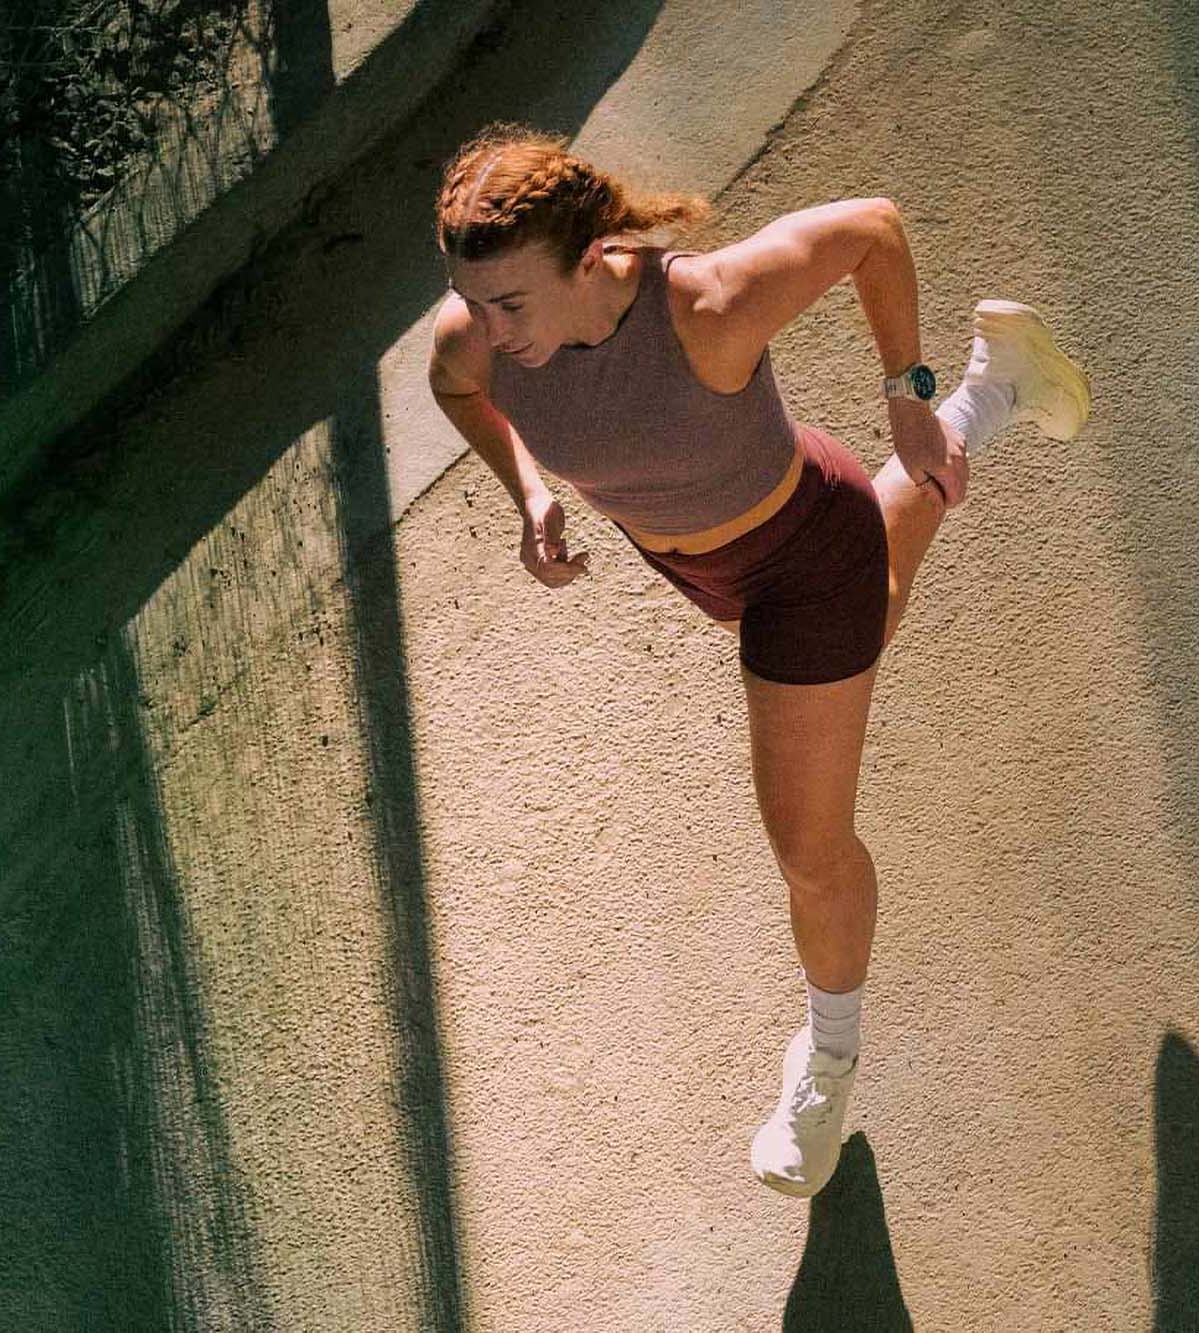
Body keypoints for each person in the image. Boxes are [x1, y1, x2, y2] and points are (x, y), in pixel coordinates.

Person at [426, 122, 1090, 1198]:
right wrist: (530, 491)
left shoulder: (703, 308)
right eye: (470, 300)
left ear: (587, 258)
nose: (486, 330)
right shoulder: (481, 335)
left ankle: (827, 1061)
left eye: (508, 304)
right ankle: (999, 386)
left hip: (801, 558)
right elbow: (455, 387)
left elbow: (871, 230)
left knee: (808, 845)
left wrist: (904, 396)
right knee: (879, 606)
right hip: (704, 572)